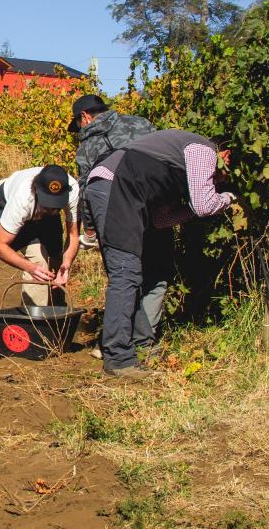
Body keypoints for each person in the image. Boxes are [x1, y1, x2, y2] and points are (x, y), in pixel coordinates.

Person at [83, 129, 234, 379]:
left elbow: (162, 219)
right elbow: (204, 204)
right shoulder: (203, 150)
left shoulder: (177, 159)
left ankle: (140, 345)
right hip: (115, 185)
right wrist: (227, 198)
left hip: (122, 187)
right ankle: (118, 358)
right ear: (225, 155)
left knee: (152, 269)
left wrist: (192, 209)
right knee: (125, 272)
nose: (219, 181)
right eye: (223, 175)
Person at [69, 94, 154, 249]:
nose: (80, 128)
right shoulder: (142, 123)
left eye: (78, 123)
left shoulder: (87, 146)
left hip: (118, 218)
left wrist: (90, 230)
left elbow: (86, 190)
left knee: (123, 269)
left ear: (85, 116)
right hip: (155, 208)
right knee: (161, 267)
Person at [0, 165, 80, 305]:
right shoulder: (22, 200)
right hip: (9, 202)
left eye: (55, 205)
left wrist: (67, 263)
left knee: (56, 258)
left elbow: (73, 235)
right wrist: (30, 267)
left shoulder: (72, 190)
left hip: (38, 208)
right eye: (48, 204)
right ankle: (34, 320)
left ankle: (56, 314)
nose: (51, 209)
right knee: (38, 261)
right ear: (37, 189)